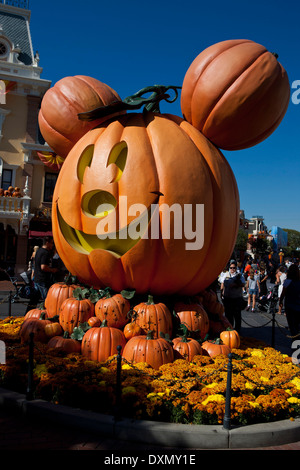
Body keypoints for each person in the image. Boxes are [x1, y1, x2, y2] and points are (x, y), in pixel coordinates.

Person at [221, 260, 245, 333]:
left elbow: (243, 284)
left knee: (237, 316)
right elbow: (222, 283)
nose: (232, 269)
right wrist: (221, 293)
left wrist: (235, 284)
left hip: (236, 298)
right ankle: (229, 330)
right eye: (231, 268)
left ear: (236, 268)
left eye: (234, 268)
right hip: (228, 298)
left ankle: (237, 331)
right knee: (228, 316)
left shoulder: (239, 275)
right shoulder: (226, 275)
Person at [279, 264, 300, 345]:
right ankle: (296, 338)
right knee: (297, 324)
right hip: (298, 305)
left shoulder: (287, 281)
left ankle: (295, 339)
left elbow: (283, 293)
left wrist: (280, 301)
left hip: (290, 305)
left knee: (292, 324)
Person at [33, 237, 59, 301]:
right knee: (47, 300)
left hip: (37, 278)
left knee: (34, 300)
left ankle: (29, 310)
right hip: (43, 280)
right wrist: (53, 270)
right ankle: (47, 311)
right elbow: (43, 267)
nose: (52, 245)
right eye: (51, 243)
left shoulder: (39, 251)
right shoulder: (45, 253)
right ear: (47, 243)